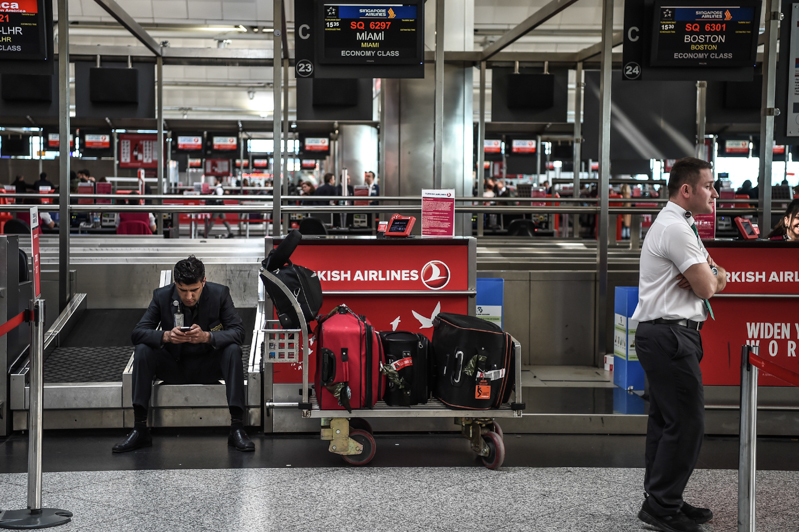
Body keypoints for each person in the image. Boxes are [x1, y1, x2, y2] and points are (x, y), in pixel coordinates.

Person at [632, 157, 727, 532]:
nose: (715, 192)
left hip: (670, 334)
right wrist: (713, 276)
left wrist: (713, 274)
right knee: (687, 424)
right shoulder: (675, 228)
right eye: (708, 185)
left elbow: (716, 274)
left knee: (667, 421)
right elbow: (708, 285)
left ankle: (662, 498)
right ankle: (662, 506)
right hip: (669, 335)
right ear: (686, 190)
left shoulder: (681, 224)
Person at [113, 256, 253, 453]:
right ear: (175, 284)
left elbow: (239, 333)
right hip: (174, 366)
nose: (188, 297)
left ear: (203, 282)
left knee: (232, 350)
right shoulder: (162, 296)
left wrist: (207, 337)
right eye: (183, 290)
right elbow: (138, 333)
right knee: (143, 350)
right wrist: (166, 336)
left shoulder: (219, 294)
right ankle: (140, 428)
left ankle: (237, 428)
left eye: (194, 290)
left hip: (207, 365)